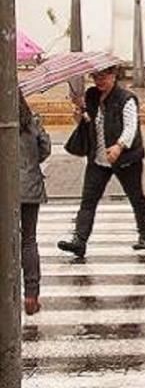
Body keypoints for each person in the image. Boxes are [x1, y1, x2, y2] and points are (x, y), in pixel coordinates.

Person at [58, 66, 145, 258]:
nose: (99, 81)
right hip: (98, 158)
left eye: (103, 77)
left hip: (125, 158)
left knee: (136, 196)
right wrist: (79, 109)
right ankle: (80, 241)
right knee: (88, 200)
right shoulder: (92, 95)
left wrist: (119, 146)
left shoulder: (126, 98)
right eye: (95, 77)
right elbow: (88, 121)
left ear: (113, 76)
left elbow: (130, 127)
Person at [18, 91, 50, 316]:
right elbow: (45, 150)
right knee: (29, 240)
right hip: (29, 187)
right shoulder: (32, 121)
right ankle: (31, 295)